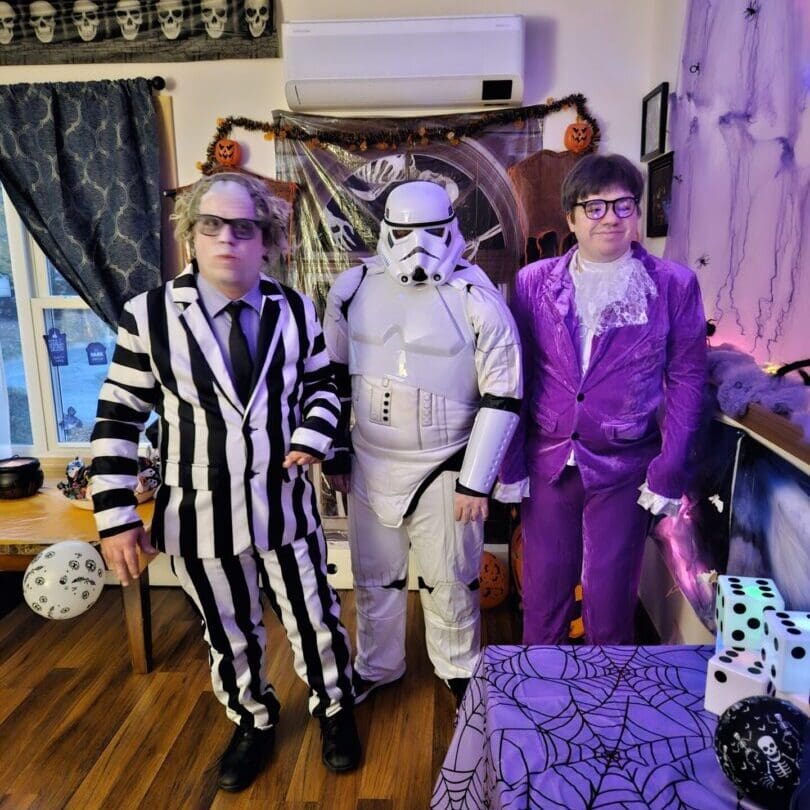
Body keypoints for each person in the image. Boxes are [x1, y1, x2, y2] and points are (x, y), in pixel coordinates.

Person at [90, 172, 361, 792]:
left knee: (317, 619)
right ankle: (253, 720)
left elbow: (323, 386)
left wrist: (314, 432)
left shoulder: (294, 308)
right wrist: (116, 516)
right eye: (211, 225)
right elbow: (117, 418)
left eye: (243, 228)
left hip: (286, 506)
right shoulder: (149, 315)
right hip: (197, 513)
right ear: (191, 234)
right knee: (228, 631)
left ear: (266, 239)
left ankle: (335, 709)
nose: (227, 240)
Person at [323, 180, 522, 707]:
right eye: (406, 232)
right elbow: (332, 377)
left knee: (451, 579)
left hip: (446, 462)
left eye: (433, 232)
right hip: (370, 460)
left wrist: (475, 481)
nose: (419, 246)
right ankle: (378, 663)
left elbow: (503, 395)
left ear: (452, 228)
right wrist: (336, 451)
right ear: (386, 229)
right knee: (374, 577)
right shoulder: (352, 288)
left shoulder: (477, 297)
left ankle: (459, 667)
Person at [499, 153, 707, 645]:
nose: (609, 217)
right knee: (542, 596)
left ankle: (604, 690)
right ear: (571, 219)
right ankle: (541, 685)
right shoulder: (533, 283)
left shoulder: (673, 285)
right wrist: (510, 463)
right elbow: (514, 375)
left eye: (622, 205)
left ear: (637, 213)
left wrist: (669, 468)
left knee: (611, 604)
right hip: (549, 460)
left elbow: (687, 378)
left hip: (625, 466)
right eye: (594, 207)